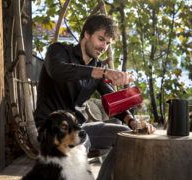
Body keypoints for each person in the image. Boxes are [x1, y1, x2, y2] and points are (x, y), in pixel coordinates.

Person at [34, 14, 156, 180]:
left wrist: (133, 121)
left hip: (81, 129)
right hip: (51, 130)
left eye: (107, 43)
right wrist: (104, 73)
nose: (103, 46)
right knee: (81, 144)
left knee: (128, 136)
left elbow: (112, 100)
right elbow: (57, 70)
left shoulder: (98, 66)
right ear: (86, 34)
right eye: (101, 39)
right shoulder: (58, 50)